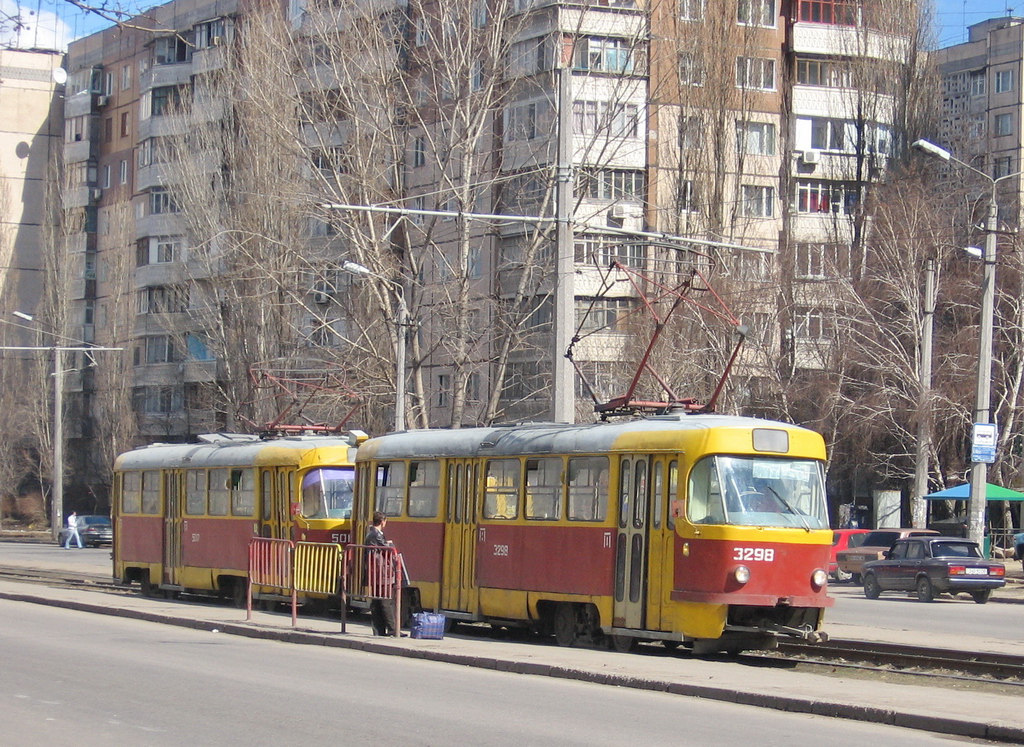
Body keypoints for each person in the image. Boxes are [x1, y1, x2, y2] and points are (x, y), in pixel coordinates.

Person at [364, 511, 398, 636]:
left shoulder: (371, 534)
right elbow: (387, 549)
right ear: (383, 521)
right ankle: (393, 630)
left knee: (378, 601)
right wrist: (390, 544)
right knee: (385, 601)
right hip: (381, 573)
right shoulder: (376, 535)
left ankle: (379, 630)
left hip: (376, 573)